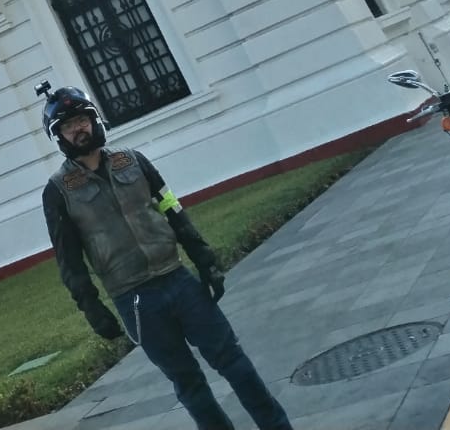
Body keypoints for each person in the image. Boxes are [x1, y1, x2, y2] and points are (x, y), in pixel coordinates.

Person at [38, 83, 292, 430]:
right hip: (136, 300)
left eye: (81, 119)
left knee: (233, 361)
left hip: (178, 280)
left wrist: (203, 258)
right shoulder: (57, 191)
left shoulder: (134, 161)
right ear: (59, 136)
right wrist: (92, 308)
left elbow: (172, 208)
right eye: (68, 126)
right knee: (189, 384)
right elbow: (68, 259)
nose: (78, 129)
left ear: (94, 119)